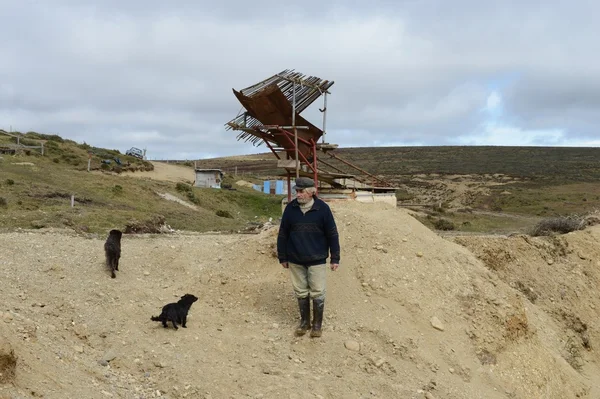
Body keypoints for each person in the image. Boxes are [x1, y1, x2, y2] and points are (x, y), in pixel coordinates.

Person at [277, 177, 340, 338]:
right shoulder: (290, 209)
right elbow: (283, 234)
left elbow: (332, 234)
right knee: (300, 291)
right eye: (296, 191)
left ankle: (317, 325)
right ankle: (304, 323)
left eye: (301, 191)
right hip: (295, 259)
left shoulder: (323, 209)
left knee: (318, 292)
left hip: (317, 259)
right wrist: (282, 256)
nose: (297, 194)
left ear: (312, 192)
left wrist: (335, 258)